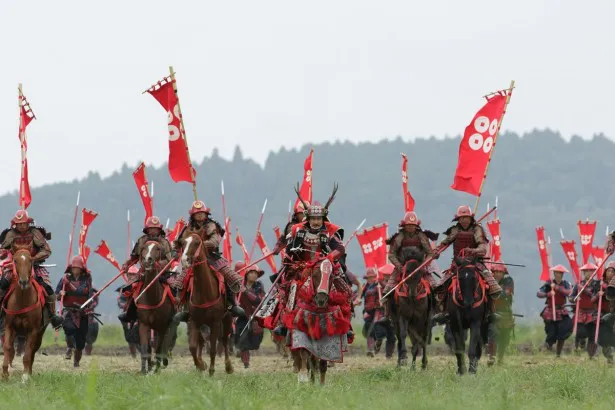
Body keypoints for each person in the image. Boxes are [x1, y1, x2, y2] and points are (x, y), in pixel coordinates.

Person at [172, 200, 245, 324]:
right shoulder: (188, 228)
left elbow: (215, 241)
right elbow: (179, 243)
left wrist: (199, 245)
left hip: (212, 256)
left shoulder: (211, 225)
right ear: (193, 215)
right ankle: (185, 309)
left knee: (228, 275)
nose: (200, 215)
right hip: (193, 259)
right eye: (197, 213)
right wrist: (175, 251)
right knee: (181, 280)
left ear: (206, 214)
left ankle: (231, 304)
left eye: (202, 213)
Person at [432, 205, 502, 324]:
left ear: (470, 218)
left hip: (475, 263)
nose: (464, 220)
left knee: (492, 286)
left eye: (466, 217)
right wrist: (436, 252)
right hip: (457, 264)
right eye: (462, 218)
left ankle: (490, 311)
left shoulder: (477, 229)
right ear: (458, 219)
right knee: (440, 285)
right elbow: (444, 243)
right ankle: (444, 311)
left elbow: (482, 248)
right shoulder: (454, 230)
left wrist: (473, 251)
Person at [0, 210, 63, 328]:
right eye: (19, 223)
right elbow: (3, 249)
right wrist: (2, 253)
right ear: (15, 224)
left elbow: (46, 250)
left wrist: (33, 258)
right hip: (15, 266)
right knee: (2, 285)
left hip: (34, 265)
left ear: (28, 223)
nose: (21, 226)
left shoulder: (35, 233)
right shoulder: (10, 234)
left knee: (47, 289)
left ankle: (52, 315)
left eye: (23, 223)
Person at [118, 216, 174, 323]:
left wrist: (158, 265)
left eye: (155, 228)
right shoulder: (142, 240)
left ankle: (174, 311)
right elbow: (134, 256)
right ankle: (130, 313)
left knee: (174, 289)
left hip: (161, 273)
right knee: (131, 288)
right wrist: (127, 264)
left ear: (159, 230)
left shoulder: (164, 242)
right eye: (151, 228)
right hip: (144, 273)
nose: (153, 230)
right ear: (147, 229)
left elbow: (169, 260)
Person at [56, 255, 95, 367]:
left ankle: (76, 363)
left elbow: (88, 294)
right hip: (69, 311)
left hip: (82, 313)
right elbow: (57, 294)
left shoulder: (87, 279)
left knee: (81, 341)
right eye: (74, 268)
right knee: (69, 328)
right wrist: (60, 294)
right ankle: (69, 347)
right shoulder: (65, 279)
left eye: (77, 268)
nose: (75, 270)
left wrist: (89, 305)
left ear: (81, 268)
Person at [537, 264, 573, 357]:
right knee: (551, 332)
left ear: (562, 274)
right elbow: (539, 293)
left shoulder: (566, 283)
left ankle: (558, 354)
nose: (557, 275)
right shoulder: (548, 283)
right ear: (554, 273)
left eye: (559, 273)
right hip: (550, 311)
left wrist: (557, 288)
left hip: (561, 310)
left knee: (564, 331)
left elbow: (569, 293)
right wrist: (548, 294)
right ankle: (547, 347)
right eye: (556, 273)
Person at [234, 264, 266, 368]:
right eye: (252, 273)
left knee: (255, 340)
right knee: (242, 336)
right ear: (247, 274)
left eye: (256, 274)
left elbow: (258, 300)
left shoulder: (259, 286)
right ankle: (246, 362)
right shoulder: (239, 285)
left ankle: (243, 352)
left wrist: (245, 291)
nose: (254, 275)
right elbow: (233, 298)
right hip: (242, 315)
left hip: (255, 316)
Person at [487, 262, 514, 365]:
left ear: (504, 273)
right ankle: (492, 357)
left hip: (505, 314)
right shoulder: (489, 281)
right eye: (496, 272)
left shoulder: (508, 281)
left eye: (500, 272)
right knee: (493, 334)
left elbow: (505, 293)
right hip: (493, 313)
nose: (498, 274)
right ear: (492, 273)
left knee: (504, 338)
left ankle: (500, 359)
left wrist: (493, 289)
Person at [570, 263, 598, 355]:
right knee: (581, 332)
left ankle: (591, 355)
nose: (589, 273)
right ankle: (580, 343)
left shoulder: (597, 285)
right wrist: (575, 299)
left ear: (594, 272)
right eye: (587, 271)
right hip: (581, 313)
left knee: (593, 335)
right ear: (584, 273)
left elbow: (596, 297)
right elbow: (571, 298)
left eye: (591, 271)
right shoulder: (578, 285)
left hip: (593, 313)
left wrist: (586, 290)